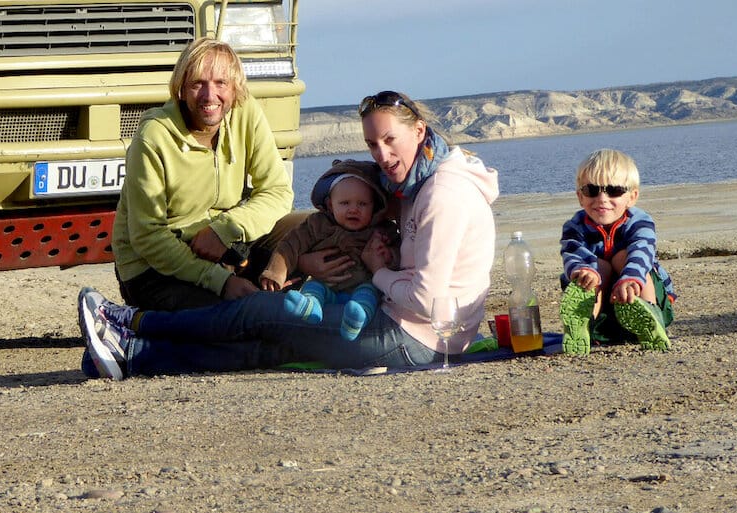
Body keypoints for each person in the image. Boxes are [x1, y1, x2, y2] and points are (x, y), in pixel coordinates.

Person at [77, 90, 499, 379]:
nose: (383, 155)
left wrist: (377, 272)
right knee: (269, 347)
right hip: (415, 330)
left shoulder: (442, 194)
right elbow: (349, 192)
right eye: (373, 144)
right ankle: (131, 354)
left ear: (419, 131)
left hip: (412, 338)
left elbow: (426, 299)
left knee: (258, 312)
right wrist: (310, 259)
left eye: (390, 140)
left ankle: (131, 322)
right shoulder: (414, 181)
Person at [111, 37, 296, 312]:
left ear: (235, 88)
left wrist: (224, 229)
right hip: (155, 268)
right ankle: (131, 325)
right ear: (182, 89)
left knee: (318, 230)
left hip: (226, 247)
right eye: (198, 84)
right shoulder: (153, 137)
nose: (210, 96)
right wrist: (220, 281)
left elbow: (278, 191)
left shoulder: (246, 113)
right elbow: (147, 236)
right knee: (237, 318)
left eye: (221, 83)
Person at [258, 159, 399, 341]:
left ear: (375, 206)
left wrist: (389, 256)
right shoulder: (318, 224)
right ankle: (310, 307)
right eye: (345, 203)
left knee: (370, 292)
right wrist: (276, 272)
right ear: (331, 205)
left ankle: (357, 317)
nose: (353, 210)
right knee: (313, 286)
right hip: (327, 285)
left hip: (362, 283)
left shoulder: (381, 231)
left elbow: (400, 252)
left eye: (362, 204)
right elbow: (291, 245)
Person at [558, 148, 676, 356]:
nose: (602, 198)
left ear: (632, 197)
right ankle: (583, 326)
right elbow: (572, 254)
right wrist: (583, 271)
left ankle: (650, 317)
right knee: (595, 268)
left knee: (624, 257)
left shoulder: (640, 222)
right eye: (592, 190)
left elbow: (642, 251)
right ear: (580, 197)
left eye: (614, 190)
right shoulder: (574, 227)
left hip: (639, 289)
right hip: (605, 303)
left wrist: (631, 278)